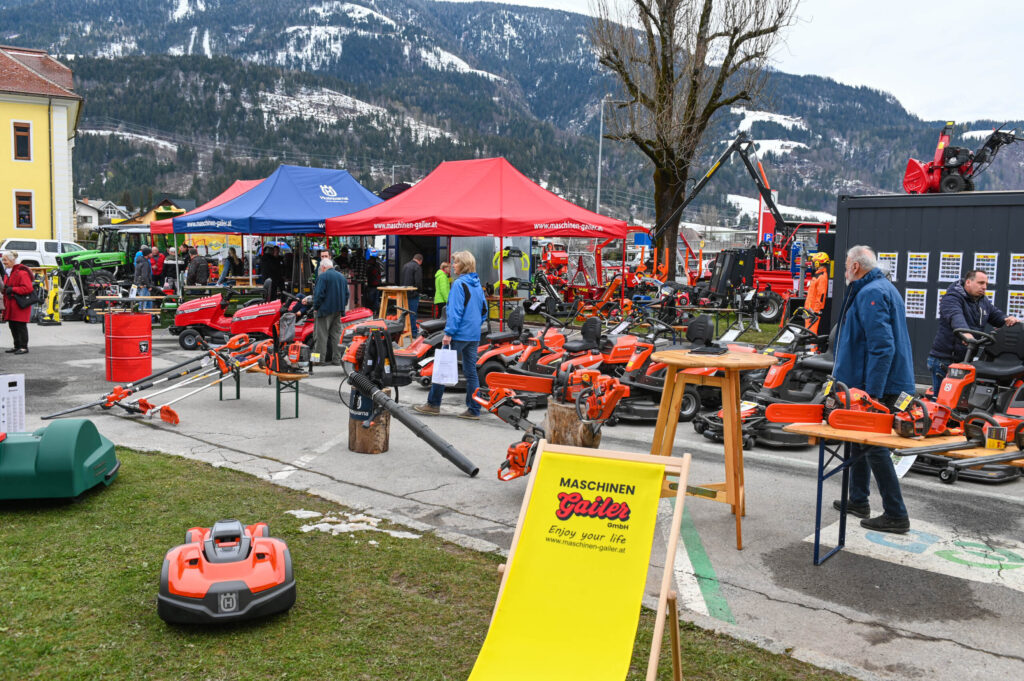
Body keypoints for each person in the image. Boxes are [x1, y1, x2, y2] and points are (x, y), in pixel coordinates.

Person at [832, 245, 915, 534]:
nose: (845, 270)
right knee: (859, 441)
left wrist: (873, 393)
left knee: (874, 446)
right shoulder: (880, 288)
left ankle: (896, 514)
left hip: (879, 387)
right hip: (875, 383)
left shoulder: (871, 293)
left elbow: (882, 347)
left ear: (855, 267)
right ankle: (858, 500)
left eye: (846, 265)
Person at [414, 251, 486, 420]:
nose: (453, 265)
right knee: (471, 373)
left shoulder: (459, 284)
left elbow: (454, 312)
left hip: (459, 333)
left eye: (456, 262)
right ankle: (474, 409)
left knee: (442, 367)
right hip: (473, 334)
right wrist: (474, 325)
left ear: (464, 265)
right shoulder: (477, 284)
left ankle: (433, 404)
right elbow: (484, 311)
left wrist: (449, 332)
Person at [928, 269, 1019, 394]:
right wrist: (965, 334)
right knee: (942, 400)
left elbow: (996, 316)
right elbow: (955, 316)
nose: (984, 287)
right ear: (968, 282)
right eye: (981, 283)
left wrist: (1008, 319)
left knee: (961, 400)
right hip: (945, 360)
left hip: (966, 359)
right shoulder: (951, 298)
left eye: (986, 284)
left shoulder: (982, 301)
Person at [304, 258, 348, 366]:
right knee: (336, 336)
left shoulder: (322, 277)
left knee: (320, 336)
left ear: (323, 267)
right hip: (338, 310)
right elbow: (347, 294)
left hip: (324, 311)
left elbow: (319, 294)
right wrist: (342, 306)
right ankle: (337, 359)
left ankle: (319, 360)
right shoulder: (342, 277)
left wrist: (315, 307)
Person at [2, 251, 34, 354]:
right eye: (3, 260)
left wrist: (12, 289)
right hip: (11, 303)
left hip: (20, 303)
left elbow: (28, 288)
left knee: (20, 326)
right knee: (12, 325)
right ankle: (17, 346)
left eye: (5, 260)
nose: (3, 262)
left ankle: (24, 347)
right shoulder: (8, 272)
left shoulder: (21, 273)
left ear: (12, 260)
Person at [804, 252, 830, 334]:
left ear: (818, 263)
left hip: (813, 311)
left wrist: (816, 311)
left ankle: (812, 343)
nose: (813, 264)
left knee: (811, 333)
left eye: (814, 262)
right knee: (808, 332)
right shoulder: (817, 275)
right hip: (810, 309)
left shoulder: (821, 277)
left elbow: (821, 295)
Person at [401, 253, 423, 331]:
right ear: (420, 260)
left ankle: (404, 329)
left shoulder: (405, 265)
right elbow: (418, 282)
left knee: (404, 313)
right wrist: (419, 291)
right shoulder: (417, 267)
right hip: (413, 293)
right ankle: (413, 331)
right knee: (412, 313)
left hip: (404, 293)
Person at [133, 246, 154, 310]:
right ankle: (143, 315)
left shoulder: (139, 261)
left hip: (139, 283)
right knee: (143, 304)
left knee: (148, 302)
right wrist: (148, 285)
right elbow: (144, 276)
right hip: (144, 285)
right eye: (151, 253)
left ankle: (150, 315)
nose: (152, 254)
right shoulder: (145, 263)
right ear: (147, 254)